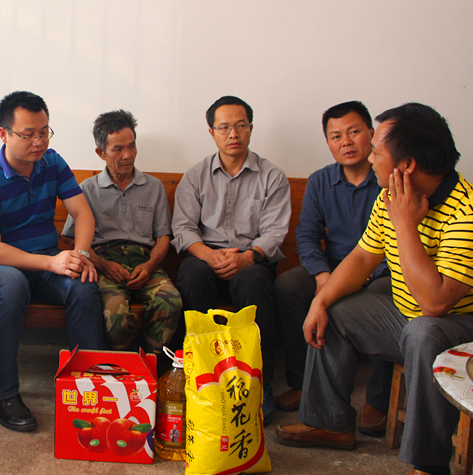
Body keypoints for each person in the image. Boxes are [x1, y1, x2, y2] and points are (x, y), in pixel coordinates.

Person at [275, 103, 473, 475]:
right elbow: (363, 257)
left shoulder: (466, 213)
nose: (370, 157)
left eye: (378, 152)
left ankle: (428, 464)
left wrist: (405, 224)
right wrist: (321, 300)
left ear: (407, 164)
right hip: (406, 317)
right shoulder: (391, 194)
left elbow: (434, 303)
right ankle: (329, 422)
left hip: (456, 330)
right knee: (334, 309)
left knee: (423, 331)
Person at [0, 91, 104, 432]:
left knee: (83, 284)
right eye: (28, 134)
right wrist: (51, 263)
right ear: (4, 134)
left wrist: (80, 255)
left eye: (44, 132)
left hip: (47, 259)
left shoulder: (52, 163)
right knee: (11, 286)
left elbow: (82, 213)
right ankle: (3, 395)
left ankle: (90, 387)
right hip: (3, 266)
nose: (39, 142)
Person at [273, 101, 392, 435]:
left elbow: (395, 245)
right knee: (289, 286)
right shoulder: (320, 181)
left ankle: (378, 399)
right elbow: (307, 236)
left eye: (354, 132)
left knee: (387, 294)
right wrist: (323, 275)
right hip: (334, 266)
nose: (346, 142)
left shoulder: (387, 177)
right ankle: (303, 382)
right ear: (328, 142)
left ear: (371, 133)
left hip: (380, 272)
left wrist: (363, 277)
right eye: (336, 136)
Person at [172, 95, 290, 423]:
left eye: (240, 126)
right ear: (211, 132)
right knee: (191, 277)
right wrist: (209, 255)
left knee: (254, 285)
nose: (233, 134)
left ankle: (259, 385)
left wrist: (248, 257)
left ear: (250, 128)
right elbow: (183, 228)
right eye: (224, 127)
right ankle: (197, 377)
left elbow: (274, 232)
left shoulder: (272, 176)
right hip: (206, 255)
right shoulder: (196, 176)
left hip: (251, 258)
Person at [61, 110, 181, 375]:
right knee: (115, 314)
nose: (127, 155)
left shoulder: (153, 187)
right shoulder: (88, 189)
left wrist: (150, 266)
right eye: (118, 149)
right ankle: (123, 364)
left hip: (145, 261)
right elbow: (75, 241)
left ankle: (150, 363)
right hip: (103, 261)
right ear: (101, 153)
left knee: (171, 301)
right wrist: (104, 265)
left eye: (132, 146)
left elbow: (164, 237)